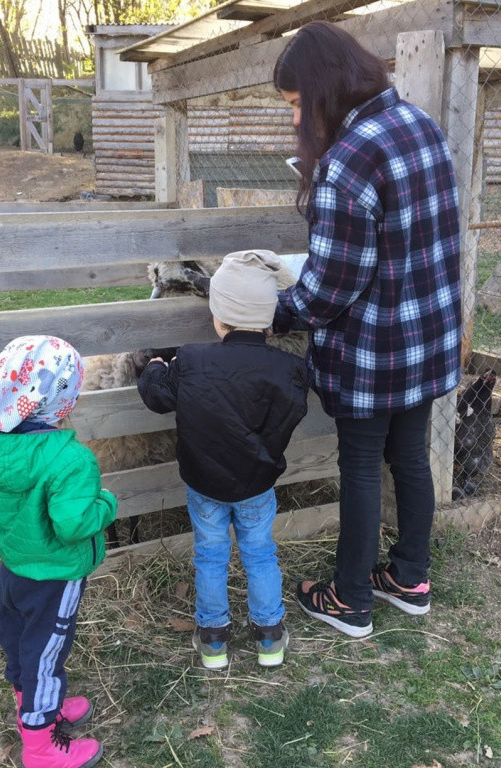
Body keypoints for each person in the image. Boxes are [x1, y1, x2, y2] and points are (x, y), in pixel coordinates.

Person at [272, 21, 463, 638]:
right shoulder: (420, 126)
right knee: (408, 455)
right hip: (427, 339)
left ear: (324, 90)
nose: (296, 121)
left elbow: (331, 286)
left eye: (298, 105)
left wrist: (278, 310)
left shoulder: (349, 160)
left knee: (359, 464)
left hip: (373, 351)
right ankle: (410, 576)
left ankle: (349, 599)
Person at [137, 250, 309, 669]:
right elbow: (289, 414)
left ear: (217, 315)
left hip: (205, 486)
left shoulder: (193, 359)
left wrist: (155, 367)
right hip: (256, 484)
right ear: (269, 320)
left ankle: (213, 640)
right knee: (261, 554)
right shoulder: (287, 368)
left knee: (210, 556)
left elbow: (159, 396)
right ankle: (270, 637)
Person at [0, 335, 116, 768]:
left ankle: (37, 707)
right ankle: (40, 748)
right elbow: (74, 524)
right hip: (55, 576)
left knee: (21, 643)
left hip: (15, 567)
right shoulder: (70, 459)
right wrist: (106, 504)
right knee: (46, 654)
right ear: (60, 399)